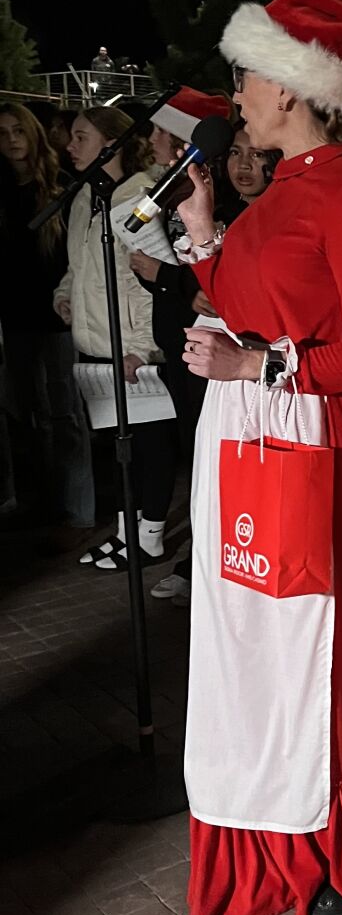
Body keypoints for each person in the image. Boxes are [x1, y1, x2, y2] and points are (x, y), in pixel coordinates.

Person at [177, 0, 342, 915]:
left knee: (308, 649)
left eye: (245, 76)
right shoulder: (283, 189)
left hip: (311, 438)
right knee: (252, 650)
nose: (236, 95)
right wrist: (202, 229)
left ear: (289, 84)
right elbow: (246, 293)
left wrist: (257, 362)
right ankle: (271, 831)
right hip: (254, 434)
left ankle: (323, 843)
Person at [54, 106, 179, 568]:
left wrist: (143, 348)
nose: (70, 146)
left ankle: (149, 536)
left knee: (147, 444)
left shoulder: (139, 196)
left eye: (81, 137)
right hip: (96, 342)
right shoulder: (84, 196)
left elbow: (147, 280)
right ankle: (126, 533)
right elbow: (77, 264)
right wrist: (65, 295)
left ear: (110, 143)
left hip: (130, 347)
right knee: (117, 445)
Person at [125, 89, 237, 604]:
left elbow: (215, 291)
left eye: (160, 131)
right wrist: (155, 277)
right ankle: (201, 554)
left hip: (219, 351)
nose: (151, 141)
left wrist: (164, 277)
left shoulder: (225, 197)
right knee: (197, 459)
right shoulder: (166, 191)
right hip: (181, 344)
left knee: (215, 463)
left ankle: (210, 560)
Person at [0, 102, 93, 529]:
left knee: (64, 414)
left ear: (33, 133)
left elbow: (75, 256)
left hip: (56, 316)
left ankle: (75, 512)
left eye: (19, 130)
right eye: (4, 133)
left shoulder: (61, 186)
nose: (13, 139)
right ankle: (42, 503)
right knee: (25, 414)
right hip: (14, 317)